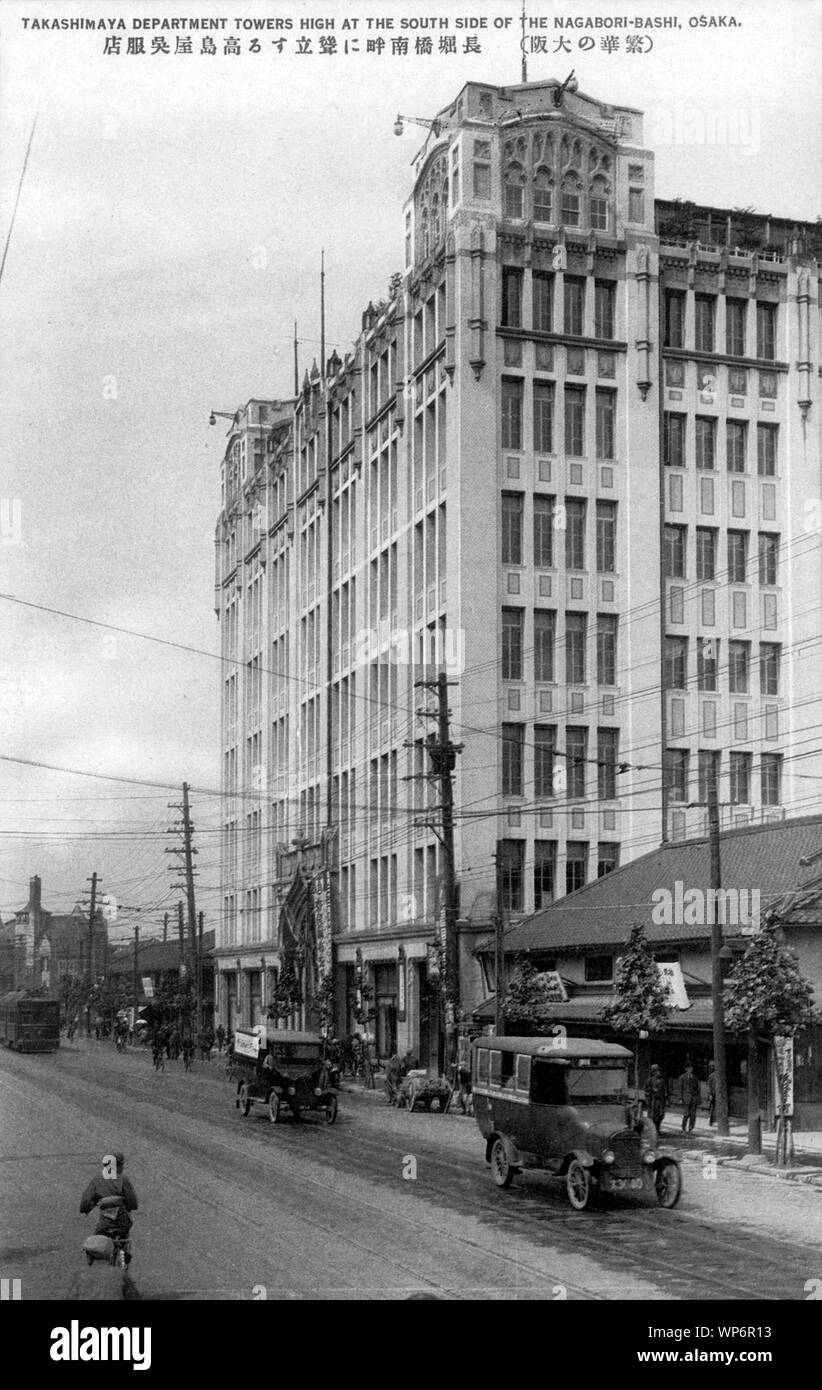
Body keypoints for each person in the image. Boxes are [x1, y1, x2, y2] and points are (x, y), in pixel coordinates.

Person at [80, 1152, 138, 1258]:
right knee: (125, 1230)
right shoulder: (123, 1180)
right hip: (123, 1223)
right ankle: (125, 1249)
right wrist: (128, 1206)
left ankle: (92, 1255)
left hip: (104, 1224)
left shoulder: (97, 1180)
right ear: (119, 1166)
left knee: (96, 1236)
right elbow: (133, 1203)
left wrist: (86, 1209)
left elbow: (86, 1202)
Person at [67, 1237, 140, 1301]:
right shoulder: (120, 1275)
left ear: (89, 1257)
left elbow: (71, 1297)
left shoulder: (80, 1274)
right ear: (110, 1256)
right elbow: (134, 1297)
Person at [645, 1064, 668, 1135]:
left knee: (660, 1116)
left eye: (659, 1071)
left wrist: (666, 1099)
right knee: (653, 1117)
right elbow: (647, 1091)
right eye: (657, 1071)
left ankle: (658, 1129)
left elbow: (665, 1091)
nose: (659, 1072)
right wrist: (652, 1091)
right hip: (653, 1101)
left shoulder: (662, 1081)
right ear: (653, 1072)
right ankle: (653, 1130)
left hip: (660, 1101)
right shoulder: (649, 1080)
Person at [678, 1063, 701, 1133]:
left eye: (691, 1068)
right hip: (686, 1098)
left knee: (693, 1114)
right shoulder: (682, 1077)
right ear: (686, 1069)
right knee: (686, 1114)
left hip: (693, 1098)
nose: (690, 1070)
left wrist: (698, 1098)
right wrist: (680, 1098)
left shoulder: (695, 1077)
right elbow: (680, 1088)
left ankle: (691, 1128)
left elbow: (697, 1089)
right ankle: (683, 1127)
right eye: (688, 1068)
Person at [707, 1060, 717, 1126]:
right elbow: (709, 1086)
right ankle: (711, 1120)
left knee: (714, 1107)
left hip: (716, 1093)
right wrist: (710, 1094)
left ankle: (713, 1120)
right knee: (713, 1107)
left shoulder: (713, 1076)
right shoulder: (711, 1076)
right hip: (713, 1094)